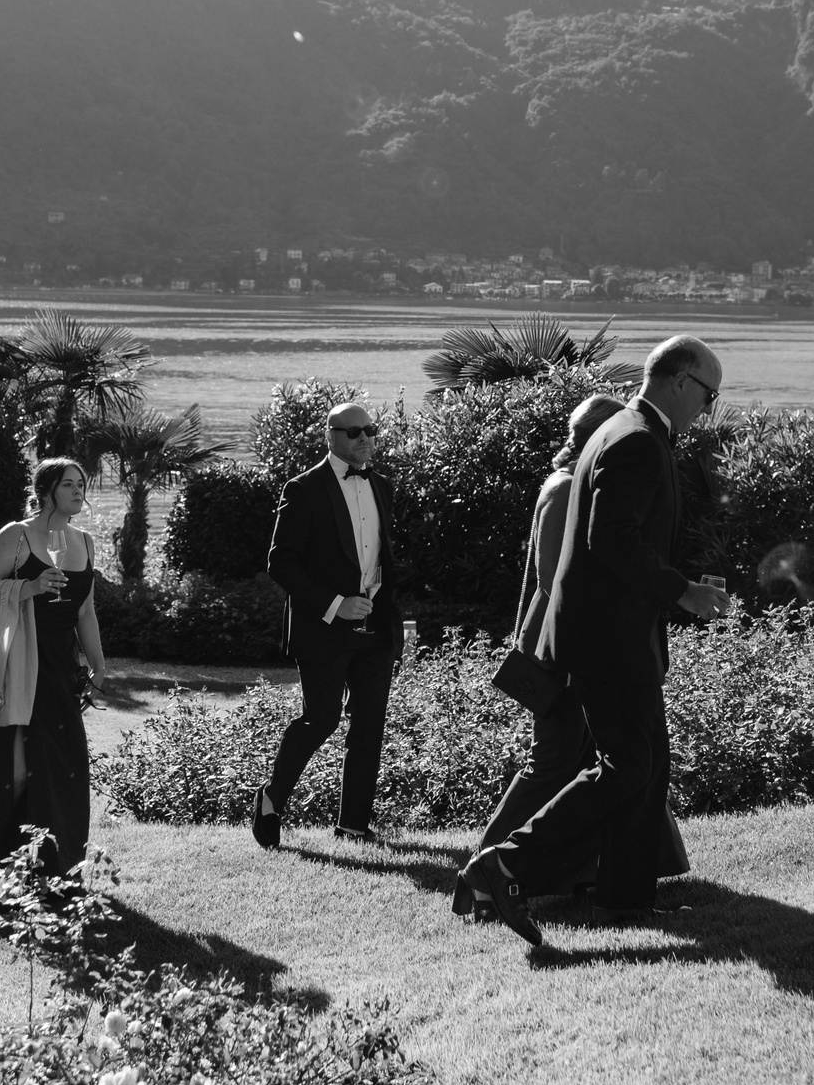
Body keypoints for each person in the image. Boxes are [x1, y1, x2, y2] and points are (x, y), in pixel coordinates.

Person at [462, 336, 733, 947]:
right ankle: (502, 865)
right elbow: (610, 542)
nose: (708, 411)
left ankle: (626, 900)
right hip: (605, 640)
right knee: (627, 765)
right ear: (681, 382)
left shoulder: (623, 430)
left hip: (611, 635)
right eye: (709, 397)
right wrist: (681, 590)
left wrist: (677, 587)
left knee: (647, 766)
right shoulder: (636, 439)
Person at [458, 393, 626, 917]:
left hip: (570, 645)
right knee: (552, 762)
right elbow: (558, 583)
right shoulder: (564, 489)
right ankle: (482, 872)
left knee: (577, 760)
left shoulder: (576, 483)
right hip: (557, 649)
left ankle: (572, 874)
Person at [0, 457, 111, 902]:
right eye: (69, 484)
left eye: (81, 485)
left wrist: (99, 666)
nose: (78, 492)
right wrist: (27, 589)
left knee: (61, 770)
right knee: (10, 770)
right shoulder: (14, 536)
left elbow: (86, 611)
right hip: (14, 666)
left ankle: (57, 872)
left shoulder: (85, 542)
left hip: (58, 670)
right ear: (46, 489)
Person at [251, 400, 407, 848]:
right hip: (324, 626)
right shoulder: (303, 489)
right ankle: (271, 797)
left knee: (370, 724)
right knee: (321, 720)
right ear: (331, 436)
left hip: (375, 626)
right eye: (353, 431)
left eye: (370, 430)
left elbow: (380, 555)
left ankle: (353, 826)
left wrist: (383, 598)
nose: (364, 438)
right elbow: (281, 563)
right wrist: (337, 604)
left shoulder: (382, 486)